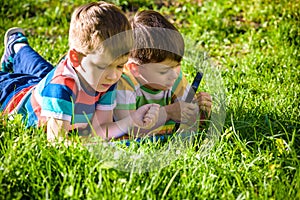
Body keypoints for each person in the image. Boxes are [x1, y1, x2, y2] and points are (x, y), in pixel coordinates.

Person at [0, 2, 160, 144]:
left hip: (47, 87)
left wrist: (131, 121)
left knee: (43, 73)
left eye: (119, 66)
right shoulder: (60, 89)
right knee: (43, 77)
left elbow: (101, 128)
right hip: (12, 95)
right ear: (75, 59)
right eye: (103, 66)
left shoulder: (105, 80)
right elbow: (56, 142)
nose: (113, 76)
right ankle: (17, 47)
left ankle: (17, 48)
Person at [114, 10, 212, 139]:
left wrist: (201, 110)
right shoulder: (124, 84)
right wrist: (169, 113)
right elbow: (131, 130)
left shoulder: (174, 78)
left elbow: (189, 120)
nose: (174, 74)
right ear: (135, 69)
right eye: (164, 71)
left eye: (177, 65)